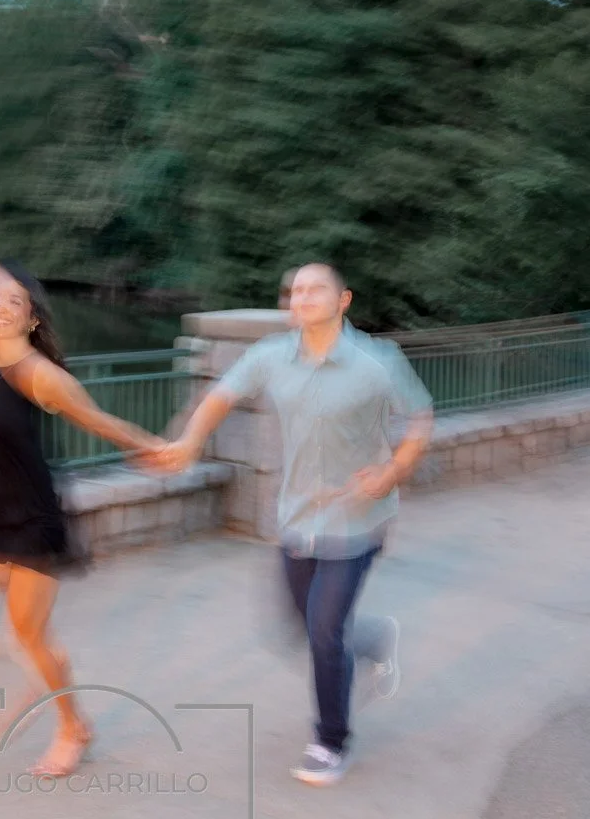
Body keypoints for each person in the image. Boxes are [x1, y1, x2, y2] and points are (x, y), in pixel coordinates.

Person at [142, 263, 433, 786]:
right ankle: (373, 641)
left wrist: (393, 470)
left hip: (358, 519)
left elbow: (420, 417)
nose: (303, 297)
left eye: (315, 288)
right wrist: (188, 442)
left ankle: (330, 740)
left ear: (343, 299)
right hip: (299, 517)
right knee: (298, 627)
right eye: (295, 290)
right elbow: (220, 397)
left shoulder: (376, 360)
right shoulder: (271, 356)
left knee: (323, 631)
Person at [0, 252, 166, 778]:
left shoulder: (40, 376)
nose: (2, 308)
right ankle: (34, 667)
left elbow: (98, 420)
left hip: (32, 524)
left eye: (17, 301)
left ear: (33, 319)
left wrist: (153, 447)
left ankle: (72, 726)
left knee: (30, 635)